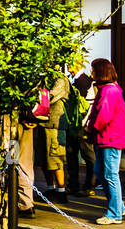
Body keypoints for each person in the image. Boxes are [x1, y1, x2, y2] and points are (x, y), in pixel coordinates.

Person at [90, 58, 125, 225]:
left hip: (110, 138)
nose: (91, 73)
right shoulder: (110, 89)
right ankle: (119, 206)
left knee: (110, 175)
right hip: (108, 137)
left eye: (92, 70)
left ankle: (114, 213)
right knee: (101, 172)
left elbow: (103, 116)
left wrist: (90, 128)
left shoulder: (108, 91)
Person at [64, 66, 96, 197]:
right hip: (74, 123)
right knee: (72, 154)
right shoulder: (77, 80)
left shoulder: (83, 81)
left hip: (81, 124)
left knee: (88, 155)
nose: (67, 67)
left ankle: (89, 185)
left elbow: (83, 104)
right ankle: (74, 184)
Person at [41, 65, 71, 201]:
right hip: (43, 122)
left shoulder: (60, 79)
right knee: (44, 159)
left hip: (55, 124)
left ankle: (61, 190)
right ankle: (50, 188)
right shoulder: (44, 78)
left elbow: (50, 97)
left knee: (56, 157)